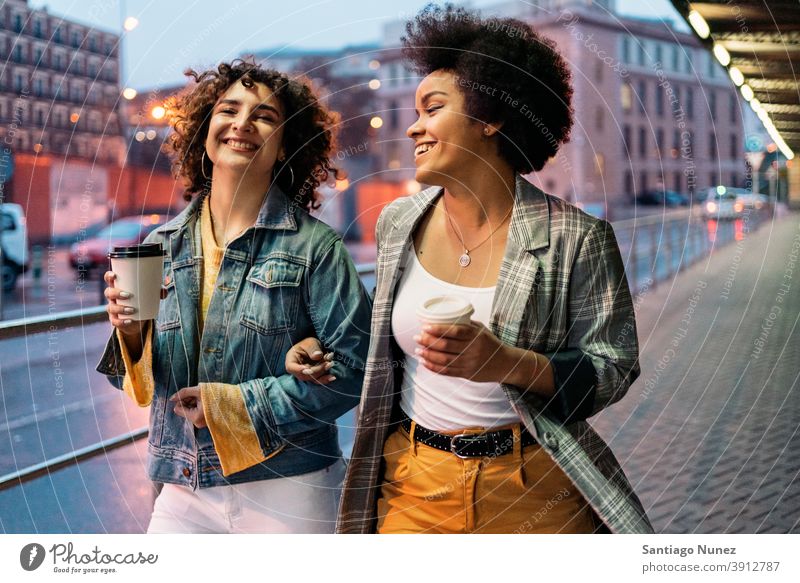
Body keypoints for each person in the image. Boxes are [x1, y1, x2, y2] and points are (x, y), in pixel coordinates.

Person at [290, 5, 653, 534]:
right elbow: (380, 345)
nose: (414, 126)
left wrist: (507, 362)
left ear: (491, 117)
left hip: (533, 487)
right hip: (412, 484)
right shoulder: (397, 224)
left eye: (433, 108)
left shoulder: (578, 239)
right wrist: (315, 348)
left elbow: (615, 368)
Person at [96, 60, 372, 534]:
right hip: (184, 486)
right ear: (206, 131)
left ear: (285, 143)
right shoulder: (160, 247)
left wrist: (233, 408)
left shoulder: (317, 249)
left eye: (264, 116)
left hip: (292, 485)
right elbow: (138, 386)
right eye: (229, 110)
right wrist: (130, 332)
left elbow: (356, 370)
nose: (243, 123)